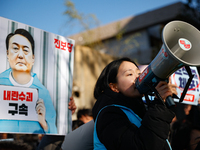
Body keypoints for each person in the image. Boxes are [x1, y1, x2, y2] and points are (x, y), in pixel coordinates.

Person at [92, 57, 177, 150]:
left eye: (139, 73)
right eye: (130, 74)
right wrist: (159, 106)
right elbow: (140, 146)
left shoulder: (140, 109)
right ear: (114, 87)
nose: (138, 78)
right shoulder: (108, 114)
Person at [0, 29, 56, 134]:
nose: (20, 55)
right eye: (15, 48)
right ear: (7, 54)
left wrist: (43, 123)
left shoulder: (43, 93)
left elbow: (54, 132)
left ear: (33, 58)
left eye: (26, 50)